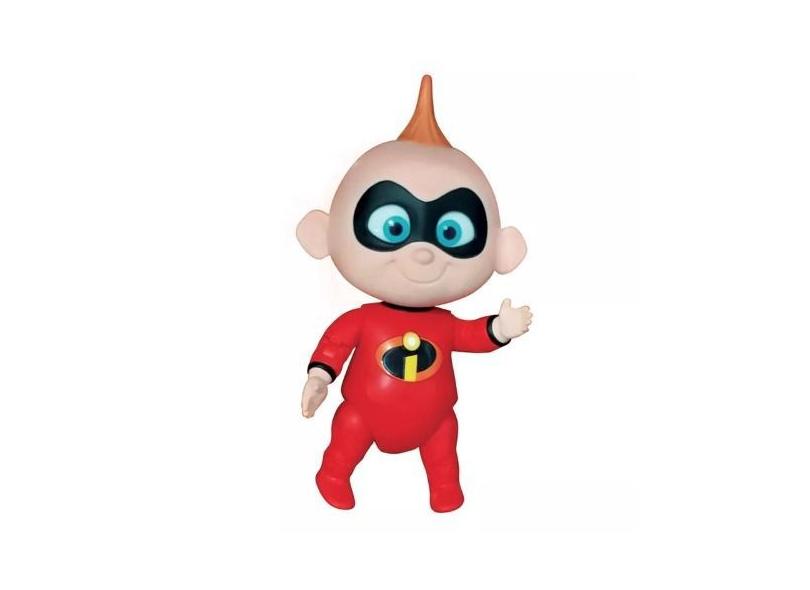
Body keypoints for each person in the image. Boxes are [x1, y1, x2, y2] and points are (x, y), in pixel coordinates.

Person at [296, 75, 531, 512]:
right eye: (393, 227)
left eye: (451, 232)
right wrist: (319, 378)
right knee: (348, 433)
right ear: (321, 234)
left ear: (504, 250)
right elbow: (335, 345)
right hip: (363, 412)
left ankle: (445, 489)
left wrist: (501, 328)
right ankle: (333, 475)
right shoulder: (363, 319)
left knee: (443, 443)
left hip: (434, 416)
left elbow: (471, 336)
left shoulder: (444, 325)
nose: (423, 253)